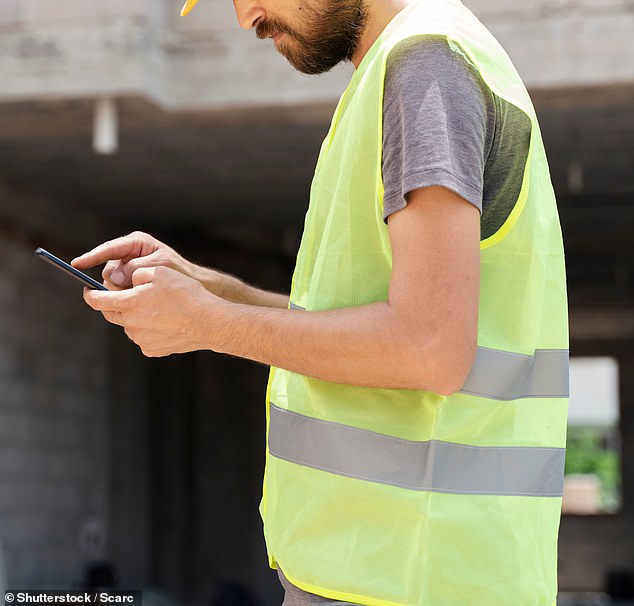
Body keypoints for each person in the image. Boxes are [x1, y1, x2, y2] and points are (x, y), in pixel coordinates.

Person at [72, 0, 569, 604]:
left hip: (408, 576)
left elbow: (430, 349)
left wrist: (211, 324)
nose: (244, 17)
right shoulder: (410, 64)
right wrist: (210, 291)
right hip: (404, 572)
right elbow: (384, 327)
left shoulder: (424, 65)